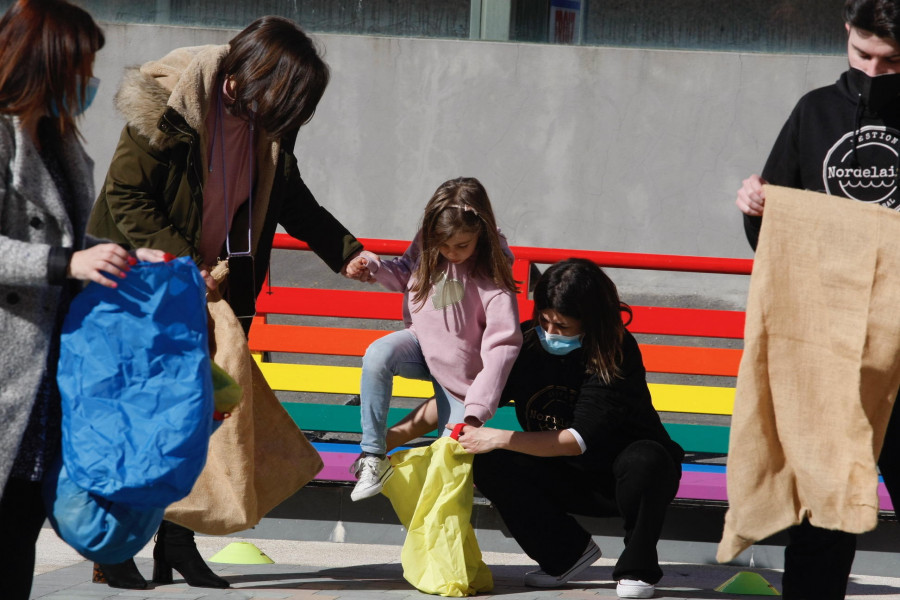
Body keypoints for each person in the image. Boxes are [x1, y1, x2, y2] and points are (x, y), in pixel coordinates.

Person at [86, 16, 367, 589]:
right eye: (285, 101)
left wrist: (347, 253)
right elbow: (126, 196)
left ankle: (178, 546)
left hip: (218, 289)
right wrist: (183, 265)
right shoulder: (170, 103)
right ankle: (110, 547)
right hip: (145, 283)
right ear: (251, 76)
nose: (287, 117)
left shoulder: (266, 121)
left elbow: (291, 198)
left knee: (202, 422)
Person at [385, 258, 684, 599]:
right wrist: (385, 439)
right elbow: (465, 397)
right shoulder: (524, 342)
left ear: (592, 322)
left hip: (622, 479)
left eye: (564, 326)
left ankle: (637, 569)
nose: (551, 334)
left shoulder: (614, 350)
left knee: (647, 458)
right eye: (545, 321)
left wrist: (497, 436)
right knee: (487, 460)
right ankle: (565, 555)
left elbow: (577, 439)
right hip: (563, 473)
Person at [0, 2, 168, 599]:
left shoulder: (56, 139)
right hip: (8, 373)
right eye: (84, 65)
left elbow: (64, 237)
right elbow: (42, 251)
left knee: (17, 539)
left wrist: (118, 253)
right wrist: (65, 264)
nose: (90, 80)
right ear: (50, 62)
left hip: (42, 387)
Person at [734, 1, 900, 597]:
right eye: (863, 55)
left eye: (893, 61)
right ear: (846, 33)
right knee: (824, 510)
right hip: (828, 352)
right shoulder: (814, 111)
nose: (876, 72)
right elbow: (770, 238)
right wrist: (757, 206)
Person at [342, 177, 522, 502]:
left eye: (461, 245)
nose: (451, 253)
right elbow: (402, 274)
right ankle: (373, 456)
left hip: (461, 380)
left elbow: (502, 345)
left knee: (448, 471)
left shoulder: (494, 279)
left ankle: (450, 543)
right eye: (444, 244)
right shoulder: (428, 244)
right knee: (377, 354)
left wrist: (477, 409)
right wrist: (374, 267)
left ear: (480, 232)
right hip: (420, 347)